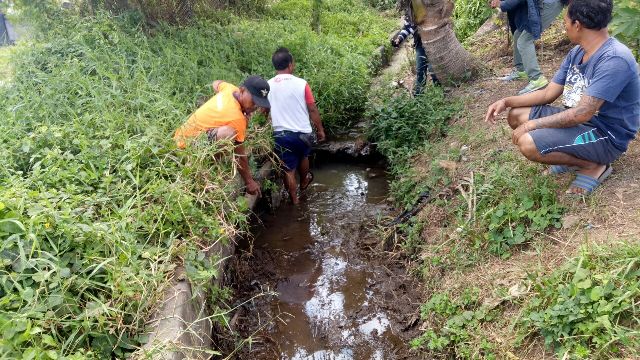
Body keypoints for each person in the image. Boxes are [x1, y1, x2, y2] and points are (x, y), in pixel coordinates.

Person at [485, 0, 640, 195]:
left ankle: (593, 164)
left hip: (606, 135)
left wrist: (532, 125)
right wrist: (506, 101)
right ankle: (572, 152)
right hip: (583, 123)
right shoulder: (577, 52)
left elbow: (582, 114)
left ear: (577, 24)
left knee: (528, 142)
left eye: (565, 21)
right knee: (516, 114)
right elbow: (548, 93)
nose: (563, 26)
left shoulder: (614, 59)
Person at [173, 76, 271, 196]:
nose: (255, 106)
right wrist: (249, 182)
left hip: (181, 136)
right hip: (186, 147)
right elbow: (240, 156)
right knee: (228, 133)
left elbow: (216, 82)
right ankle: (207, 166)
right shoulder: (237, 118)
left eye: (259, 103)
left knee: (229, 129)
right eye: (254, 100)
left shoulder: (230, 89)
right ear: (242, 90)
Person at [267, 47, 326, 204]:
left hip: (281, 135)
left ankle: (294, 201)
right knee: (303, 155)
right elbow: (312, 108)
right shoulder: (302, 84)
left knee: (289, 170)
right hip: (303, 134)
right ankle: (304, 182)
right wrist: (320, 130)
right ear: (290, 65)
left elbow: (264, 110)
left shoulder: (268, 86)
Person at [491, 0, 564, 94]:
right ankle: (521, 70)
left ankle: (537, 78)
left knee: (524, 41)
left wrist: (501, 4)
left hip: (549, 4)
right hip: (538, 4)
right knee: (518, 33)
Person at [391, 0, 440, 95]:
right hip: (420, 45)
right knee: (420, 71)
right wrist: (399, 39)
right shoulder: (410, 11)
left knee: (434, 71)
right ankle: (419, 97)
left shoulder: (428, 5)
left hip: (433, 43)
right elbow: (407, 28)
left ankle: (439, 94)